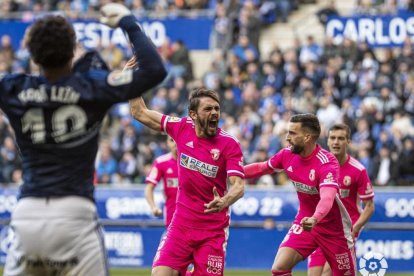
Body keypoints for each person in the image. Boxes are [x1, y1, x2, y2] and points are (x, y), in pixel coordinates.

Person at [2, 3, 166, 276]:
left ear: (32, 55)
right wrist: (128, 22)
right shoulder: (91, 86)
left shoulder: (13, 88)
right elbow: (154, 70)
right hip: (75, 215)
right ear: (71, 53)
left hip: (27, 213)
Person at [129, 87, 245, 276]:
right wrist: (133, 82)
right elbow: (139, 112)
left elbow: (238, 186)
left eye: (217, 108)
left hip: (212, 231)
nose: (214, 113)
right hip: (180, 226)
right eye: (208, 109)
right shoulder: (181, 127)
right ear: (193, 114)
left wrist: (224, 201)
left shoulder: (229, 144)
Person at [244, 113, 356, 276]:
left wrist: (315, 218)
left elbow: (327, 198)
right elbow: (261, 167)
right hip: (305, 222)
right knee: (279, 268)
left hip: (334, 228)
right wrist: (230, 172)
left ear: (307, 137)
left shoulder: (327, 163)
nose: (287, 137)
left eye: (292, 133)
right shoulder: (287, 155)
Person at [308, 124, 375, 276]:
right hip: (323, 226)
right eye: (333, 138)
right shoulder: (319, 165)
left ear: (348, 141)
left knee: (328, 273)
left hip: (344, 230)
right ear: (328, 140)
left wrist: (355, 229)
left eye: (341, 138)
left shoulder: (358, 170)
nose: (336, 142)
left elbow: (370, 206)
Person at [145, 135, 179, 228]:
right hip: (172, 217)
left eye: (178, 139)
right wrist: (153, 207)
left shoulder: (194, 162)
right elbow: (149, 188)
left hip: (193, 217)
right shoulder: (161, 162)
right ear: (167, 143)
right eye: (172, 140)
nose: (175, 143)